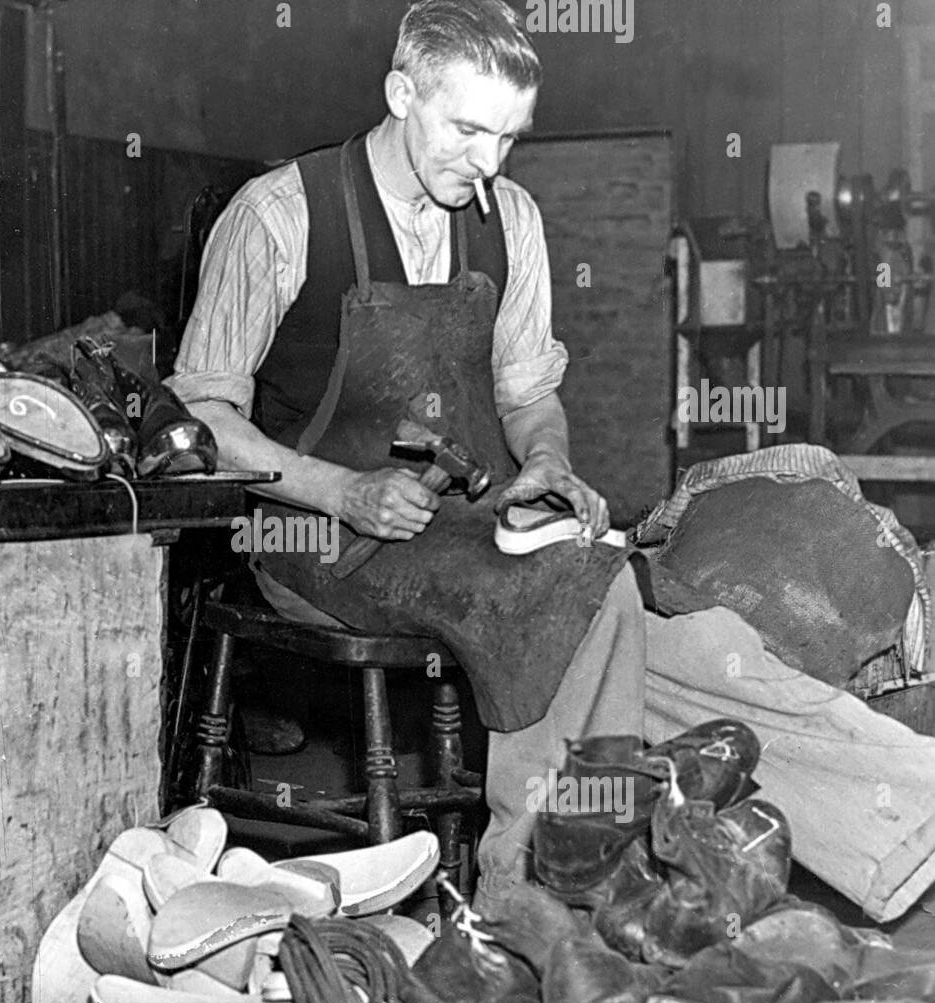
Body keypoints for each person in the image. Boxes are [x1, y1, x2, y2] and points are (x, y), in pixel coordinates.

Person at [169, 0, 935, 923]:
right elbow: (202, 422)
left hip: (465, 520)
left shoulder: (509, 217)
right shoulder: (282, 213)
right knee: (575, 596)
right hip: (310, 532)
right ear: (400, 92)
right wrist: (345, 490)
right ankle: (534, 891)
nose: (489, 162)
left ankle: (905, 814)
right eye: (467, 130)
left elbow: (530, 394)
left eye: (510, 137)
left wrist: (545, 462)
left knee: (687, 630)